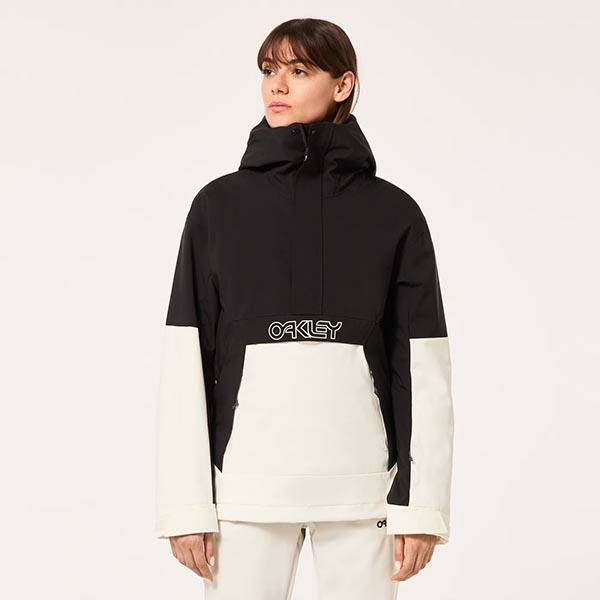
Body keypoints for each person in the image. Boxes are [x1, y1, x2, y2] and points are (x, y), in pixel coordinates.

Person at [154, 17, 455, 600]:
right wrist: (186, 505)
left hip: (364, 487)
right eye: (269, 70)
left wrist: (422, 508)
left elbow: (421, 365)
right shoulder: (218, 207)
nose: (278, 84)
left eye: (299, 70)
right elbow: (187, 354)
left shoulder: (394, 213)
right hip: (245, 487)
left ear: (343, 85)